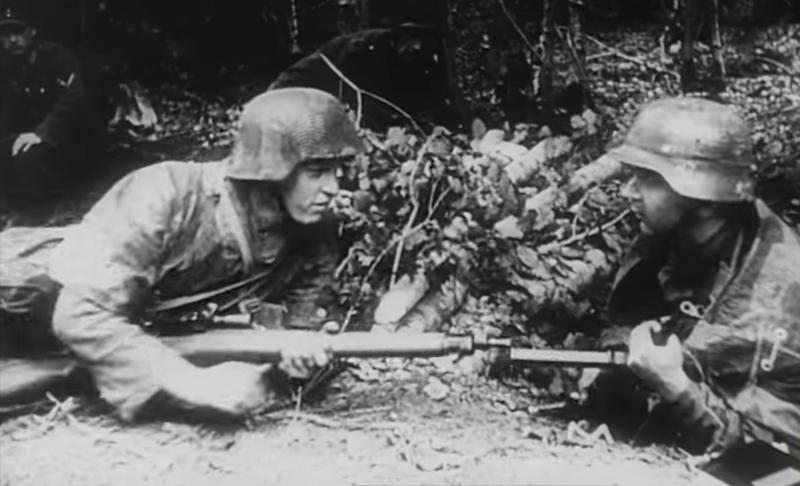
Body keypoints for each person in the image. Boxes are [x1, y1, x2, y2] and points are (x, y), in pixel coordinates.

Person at [43, 87, 364, 421]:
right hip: (25, 304)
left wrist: (291, 366)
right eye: (316, 172)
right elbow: (79, 315)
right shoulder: (163, 195)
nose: (333, 188)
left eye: (336, 170)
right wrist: (194, 383)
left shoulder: (313, 235)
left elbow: (296, 334)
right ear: (271, 171)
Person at [599, 97, 800, 454]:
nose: (627, 191)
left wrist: (675, 386)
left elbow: (777, 465)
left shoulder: (777, 301)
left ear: (704, 196)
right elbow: (626, 321)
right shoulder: (676, 238)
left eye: (648, 178)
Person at [269, 24, 467, 128]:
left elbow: (439, 95)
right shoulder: (361, 47)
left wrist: (458, 125)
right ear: (398, 37)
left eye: (423, 41)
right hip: (334, 95)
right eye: (412, 39)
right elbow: (312, 69)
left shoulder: (421, 60)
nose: (416, 47)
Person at [0, 6, 98, 214]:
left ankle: (44, 211)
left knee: (29, 158)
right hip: (29, 136)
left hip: (66, 139)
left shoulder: (57, 58)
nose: (13, 40)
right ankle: (13, 208)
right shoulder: (6, 65)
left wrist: (42, 134)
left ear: (32, 31)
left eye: (18, 31)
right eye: (6, 34)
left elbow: (74, 100)